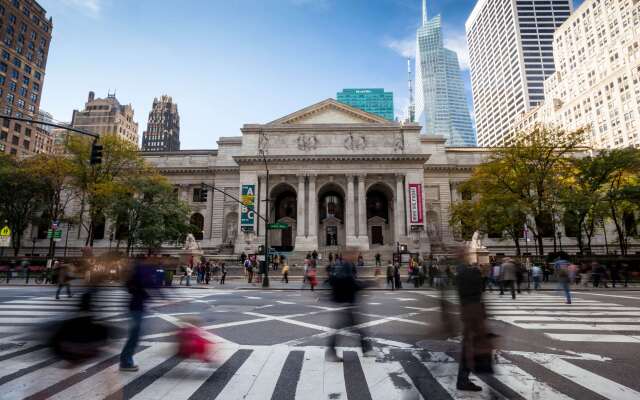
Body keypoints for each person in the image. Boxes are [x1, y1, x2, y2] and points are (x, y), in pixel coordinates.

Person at [326, 254, 374, 362]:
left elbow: (345, 282)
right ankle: (366, 350)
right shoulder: (346, 267)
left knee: (352, 328)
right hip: (347, 305)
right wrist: (371, 283)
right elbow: (353, 284)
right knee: (357, 328)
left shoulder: (343, 267)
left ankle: (366, 349)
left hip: (345, 304)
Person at [456, 260, 493, 391]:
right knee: (469, 349)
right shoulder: (473, 280)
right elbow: (475, 301)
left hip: (470, 317)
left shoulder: (466, 281)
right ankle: (462, 381)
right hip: (472, 318)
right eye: (485, 268)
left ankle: (463, 379)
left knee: (469, 349)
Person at [120, 260, 150, 371]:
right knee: (134, 336)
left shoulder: (134, 279)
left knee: (135, 335)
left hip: (136, 307)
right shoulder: (136, 280)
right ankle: (125, 362)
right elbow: (143, 290)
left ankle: (126, 361)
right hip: (136, 308)